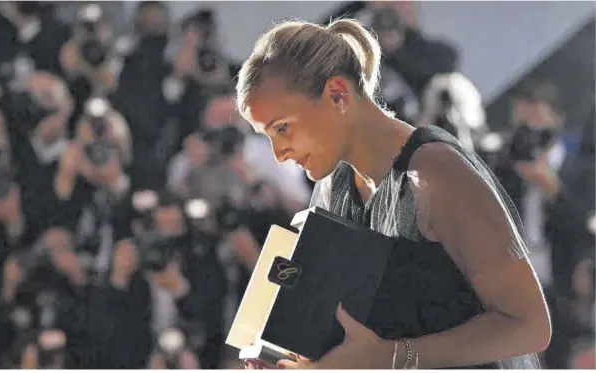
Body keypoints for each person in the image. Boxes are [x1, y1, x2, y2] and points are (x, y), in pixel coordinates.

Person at [235, 18, 550, 369]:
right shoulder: (332, 185)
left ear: (338, 94)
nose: (279, 154)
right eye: (268, 136)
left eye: (282, 128)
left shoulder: (436, 173)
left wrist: (395, 356)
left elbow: (530, 326)